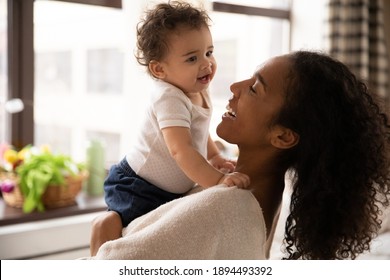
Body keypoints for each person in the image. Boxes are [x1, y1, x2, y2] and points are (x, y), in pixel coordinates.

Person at [87, 50, 390, 260]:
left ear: (283, 136)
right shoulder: (263, 196)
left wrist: (102, 240)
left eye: (255, 88)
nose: (234, 87)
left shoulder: (224, 207)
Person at [89, 1, 250, 256]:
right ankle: (100, 255)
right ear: (159, 69)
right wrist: (218, 180)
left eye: (209, 52)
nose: (206, 63)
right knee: (119, 229)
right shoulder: (169, 96)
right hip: (138, 186)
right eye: (192, 58)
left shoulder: (196, 87)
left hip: (170, 190)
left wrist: (215, 156)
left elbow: (198, 130)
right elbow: (181, 149)